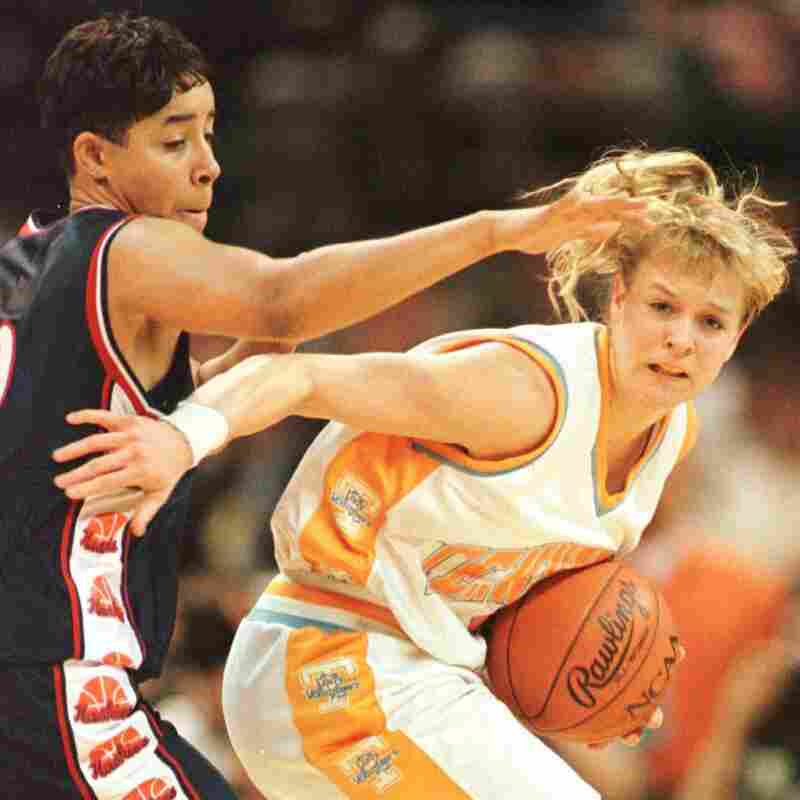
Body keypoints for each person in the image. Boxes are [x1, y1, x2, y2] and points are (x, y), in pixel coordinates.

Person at [0, 12, 651, 800]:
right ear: (94, 157)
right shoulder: (122, 247)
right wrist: (497, 230)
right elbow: (282, 300)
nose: (208, 165)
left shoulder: (32, 262)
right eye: (175, 142)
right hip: (63, 687)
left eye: (209, 134)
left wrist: (232, 383)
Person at [51, 147, 795, 800]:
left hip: (419, 670)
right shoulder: (522, 392)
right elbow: (303, 375)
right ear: (620, 300)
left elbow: (524, 604)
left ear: (738, 337)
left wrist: (603, 686)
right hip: (326, 652)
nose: (679, 338)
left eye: (710, 322)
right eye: (662, 306)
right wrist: (184, 439)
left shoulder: (674, 432)